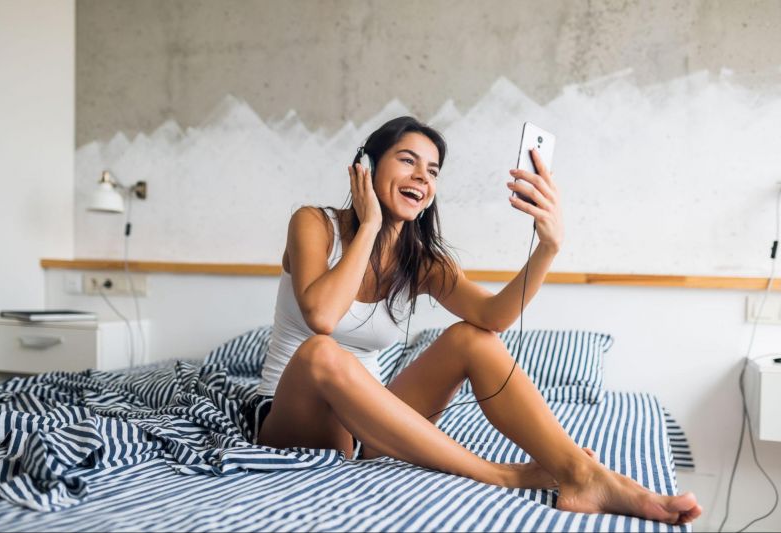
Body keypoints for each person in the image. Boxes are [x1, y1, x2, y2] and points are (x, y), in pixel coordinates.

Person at [254, 116, 702, 525]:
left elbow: (494, 318)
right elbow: (322, 316)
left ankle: (581, 474)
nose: (421, 178)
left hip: (372, 428)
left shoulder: (422, 262)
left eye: (431, 172)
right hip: (298, 415)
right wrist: (370, 224)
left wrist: (548, 248)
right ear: (365, 167)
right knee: (322, 353)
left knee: (472, 337)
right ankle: (501, 476)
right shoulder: (314, 224)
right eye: (407, 161)